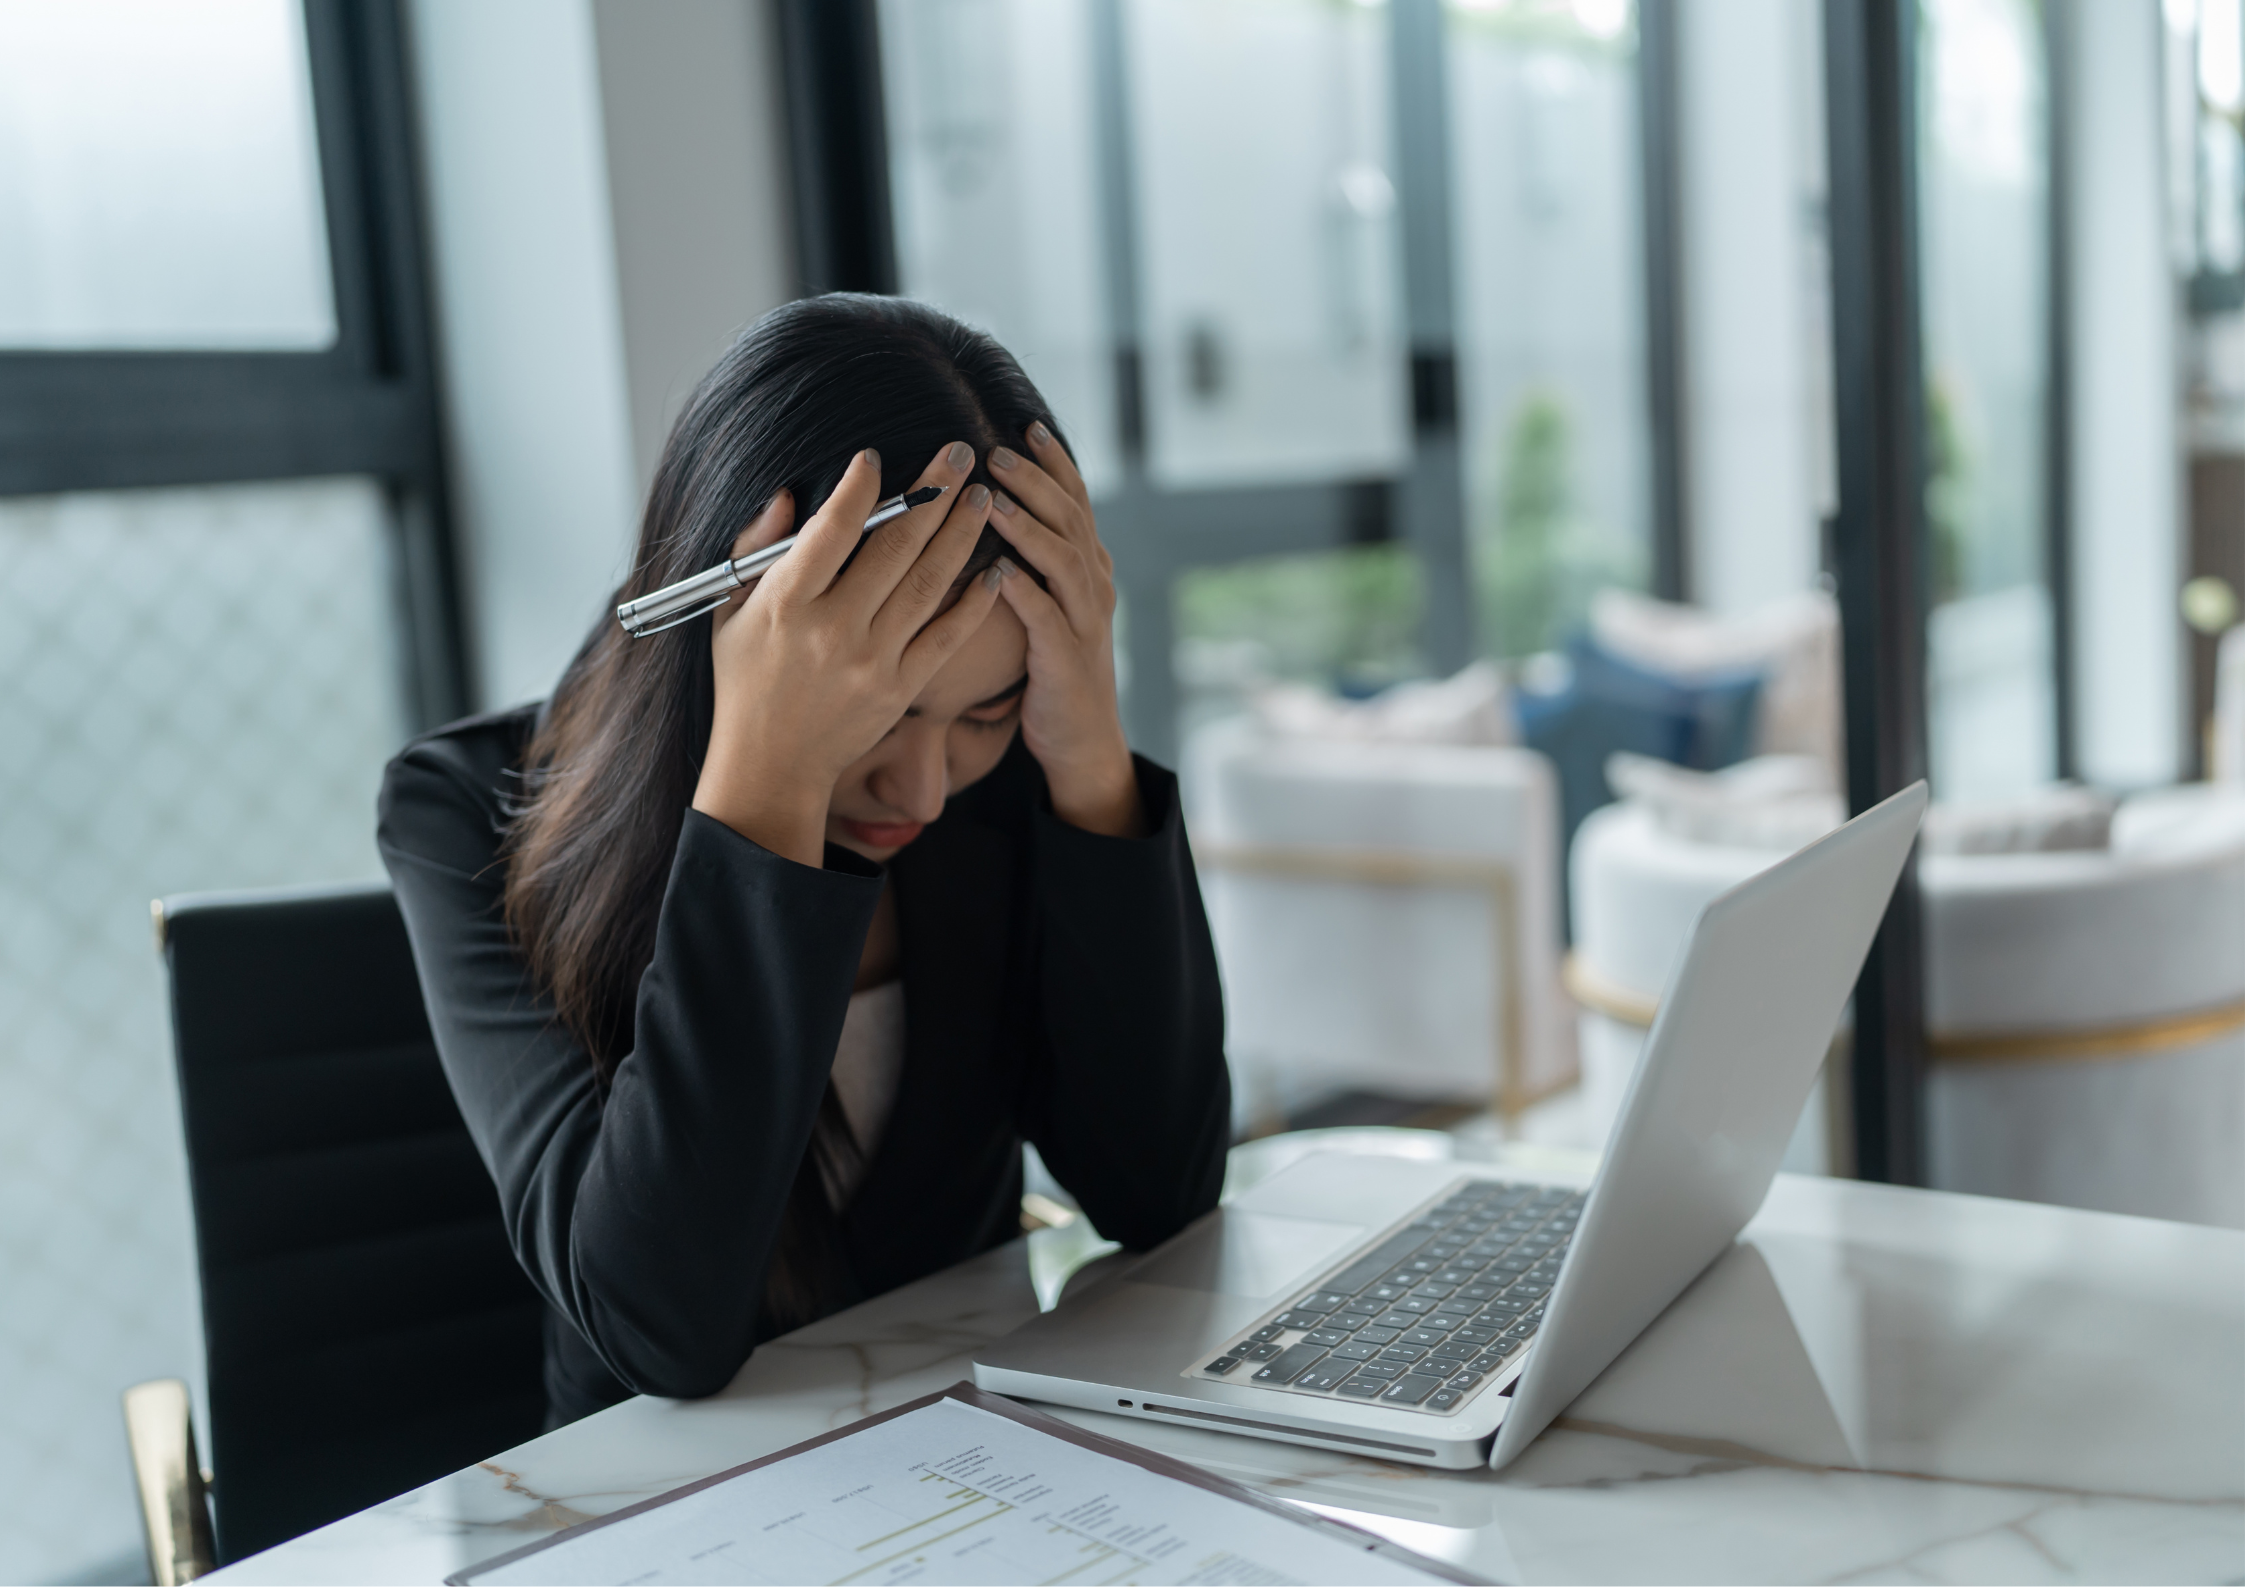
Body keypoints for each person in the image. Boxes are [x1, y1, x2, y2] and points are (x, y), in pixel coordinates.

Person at [378, 295, 1230, 1427]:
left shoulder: (1019, 777)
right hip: (659, 1510)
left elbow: (1157, 1193)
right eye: (883, 712)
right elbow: (657, 1329)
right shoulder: (462, 812)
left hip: (982, 1459)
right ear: (732, 632)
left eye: (985, 712)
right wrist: (764, 779)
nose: (923, 789)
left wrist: (1085, 753)